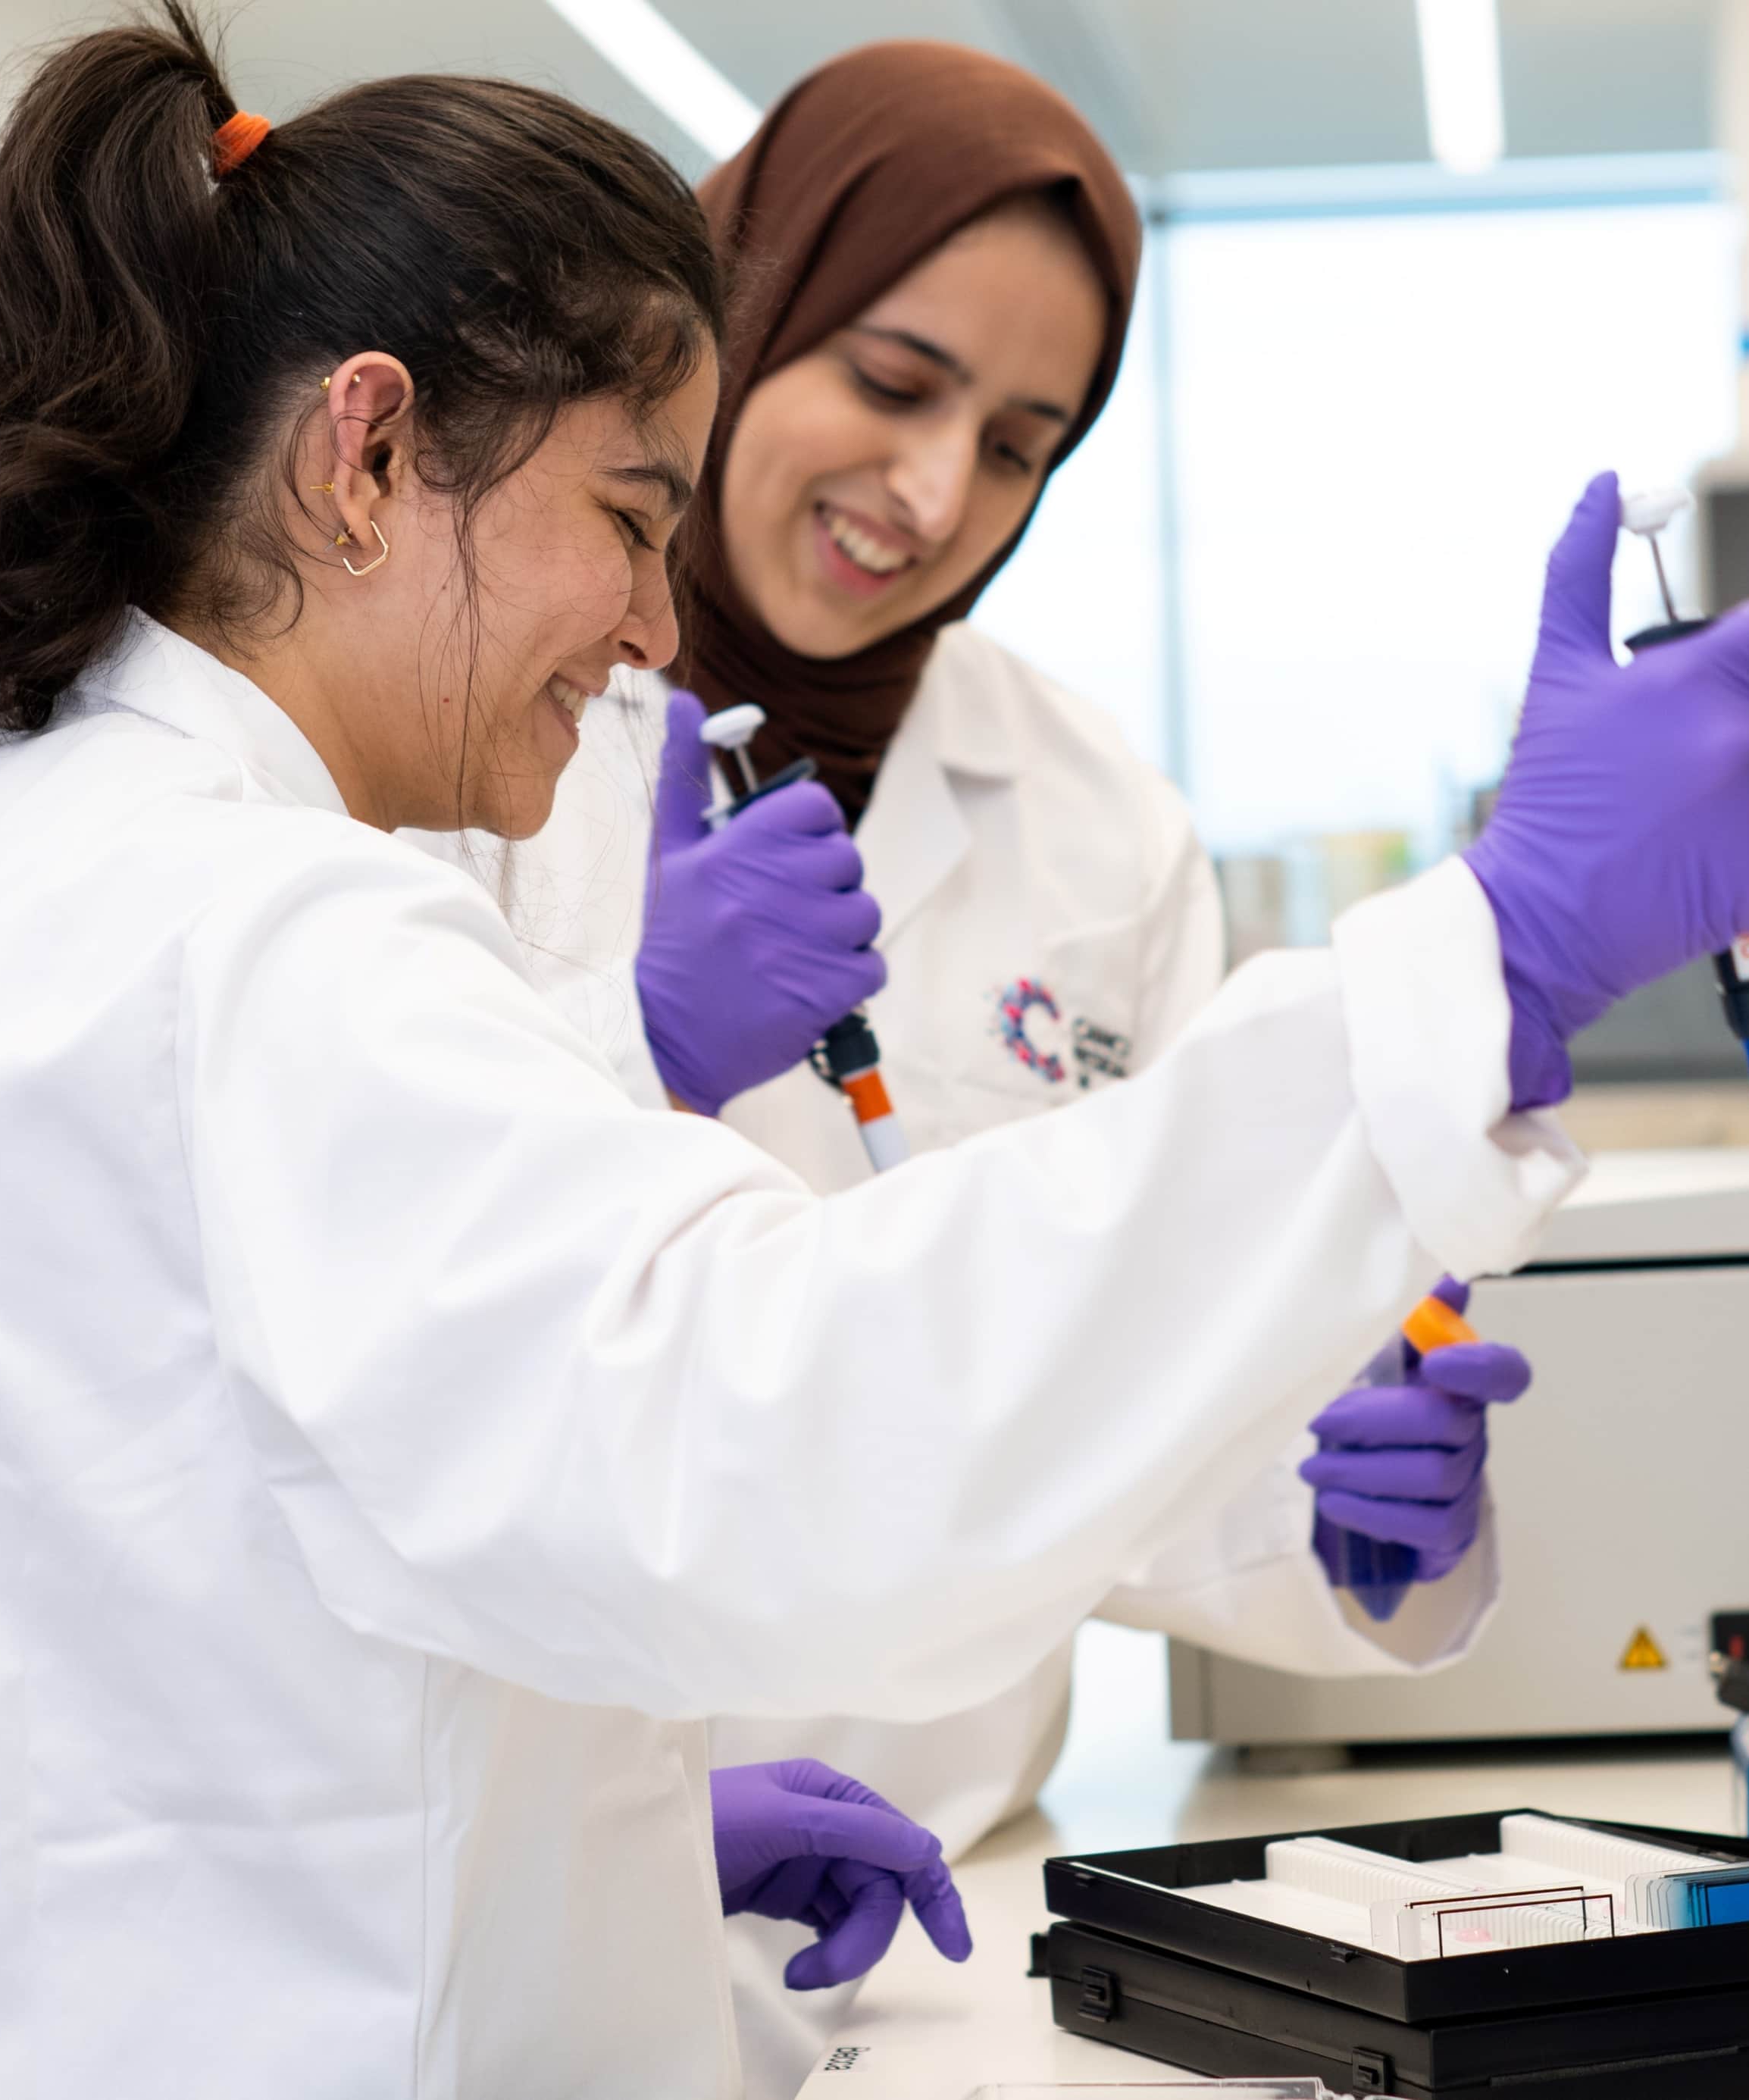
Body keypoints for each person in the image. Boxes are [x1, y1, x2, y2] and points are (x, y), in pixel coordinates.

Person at [0, 10, 1749, 2098]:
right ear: (362, 455)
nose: (647, 624)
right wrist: (1499, 959)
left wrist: (566, 1839)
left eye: (1020, 440)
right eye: (627, 519)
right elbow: (780, 1432)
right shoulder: (262, 940)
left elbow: (61, 1647)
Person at [427, 46, 1539, 2086]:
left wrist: (1347, 1512)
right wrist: (637, 1052)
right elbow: (375, 1325)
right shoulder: (461, 739)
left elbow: (1126, 1376)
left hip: (945, 1919)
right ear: (732, 320)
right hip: (527, 1896)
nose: (935, 492)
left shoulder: (1096, 824)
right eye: (893, 376)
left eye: (1022, 441)